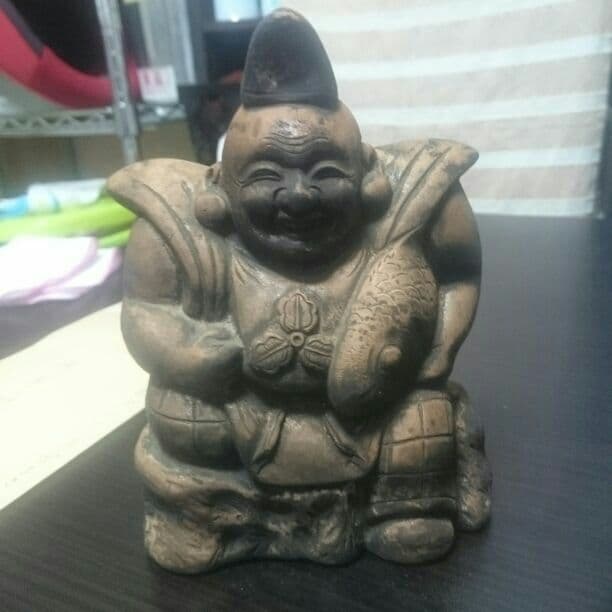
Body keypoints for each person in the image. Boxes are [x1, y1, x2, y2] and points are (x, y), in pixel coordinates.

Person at [108, 8, 490, 570]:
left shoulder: (412, 212)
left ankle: (403, 511)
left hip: (371, 412)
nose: (298, 197)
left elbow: (459, 273)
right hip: (242, 410)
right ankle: (206, 514)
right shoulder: (180, 232)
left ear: (369, 174)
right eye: (267, 177)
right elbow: (145, 311)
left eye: (325, 173)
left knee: (420, 416)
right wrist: (187, 358)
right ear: (219, 186)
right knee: (180, 412)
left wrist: (437, 348)